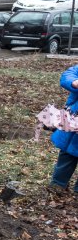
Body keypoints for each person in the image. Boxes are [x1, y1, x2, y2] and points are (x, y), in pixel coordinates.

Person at [48, 64, 78, 192]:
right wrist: (74, 82)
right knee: (67, 154)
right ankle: (57, 184)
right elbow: (67, 75)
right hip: (74, 120)